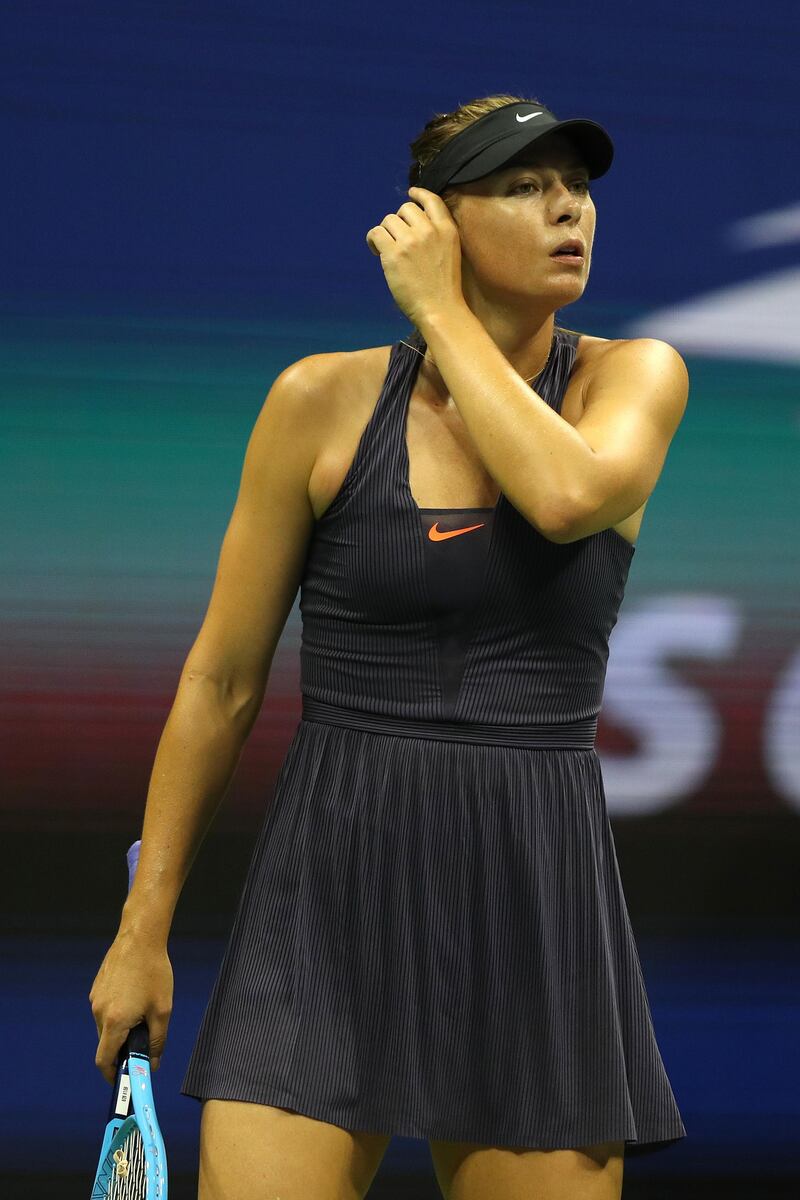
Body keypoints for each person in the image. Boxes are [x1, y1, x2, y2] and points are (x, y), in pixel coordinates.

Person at [89, 93, 689, 1200]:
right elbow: (220, 683)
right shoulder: (316, 402)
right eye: (522, 187)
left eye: (577, 188)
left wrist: (440, 315)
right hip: (326, 894)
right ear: (432, 220)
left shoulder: (632, 376)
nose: (568, 212)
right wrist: (144, 924)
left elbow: (562, 497)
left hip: (529, 898)